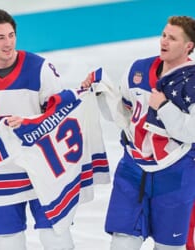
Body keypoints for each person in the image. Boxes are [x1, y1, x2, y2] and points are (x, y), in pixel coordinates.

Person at [0, 8, 74, 250]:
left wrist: (31, 124)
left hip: (42, 168)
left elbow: (62, 115)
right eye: (0, 38)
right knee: (9, 242)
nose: (8, 43)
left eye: (11, 35)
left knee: (56, 237)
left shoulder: (40, 68)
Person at [82, 16, 195, 249]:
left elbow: (191, 132)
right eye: (164, 35)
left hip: (176, 173)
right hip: (132, 169)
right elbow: (123, 117)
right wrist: (101, 91)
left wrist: (164, 107)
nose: (164, 41)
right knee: (122, 243)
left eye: (172, 38)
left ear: (188, 47)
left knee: (168, 247)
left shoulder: (192, 82)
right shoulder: (138, 69)